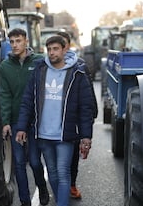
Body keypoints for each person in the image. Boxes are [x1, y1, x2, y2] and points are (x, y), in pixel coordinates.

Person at [16, 35, 94, 206]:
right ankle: (61, 202)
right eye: (49, 49)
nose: (51, 53)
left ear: (65, 49)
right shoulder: (40, 71)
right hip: (43, 134)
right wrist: (21, 127)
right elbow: (27, 101)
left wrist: (86, 136)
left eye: (55, 49)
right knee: (52, 173)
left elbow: (86, 108)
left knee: (63, 172)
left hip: (65, 135)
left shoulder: (77, 73)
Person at [0, 28, 50, 206]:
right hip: (14, 120)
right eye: (12, 42)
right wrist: (5, 122)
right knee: (19, 163)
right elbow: (4, 94)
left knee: (35, 161)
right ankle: (25, 201)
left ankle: (42, 187)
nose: (15, 45)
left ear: (26, 41)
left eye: (18, 41)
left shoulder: (39, 61)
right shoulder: (5, 67)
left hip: (34, 121)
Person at [56, 31, 98, 199]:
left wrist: (92, 113)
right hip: (54, 120)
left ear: (67, 46)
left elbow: (87, 93)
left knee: (73, 155)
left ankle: (71, 184)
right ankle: (59, 183)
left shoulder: (80, 65)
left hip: (72, 119)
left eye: (63, 45)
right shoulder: (47, 66)